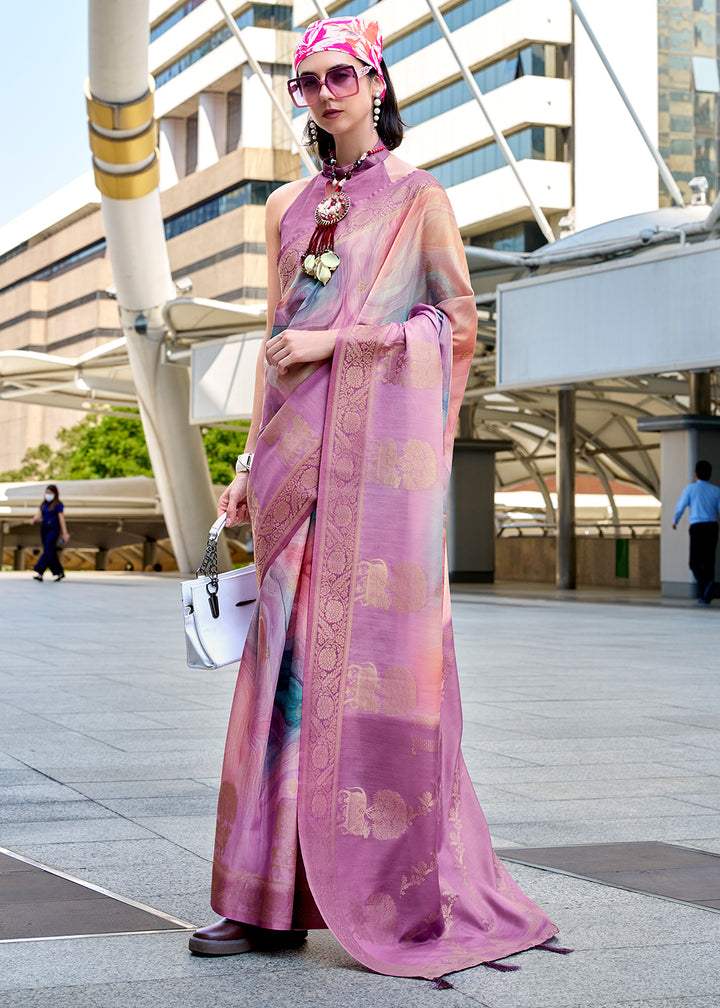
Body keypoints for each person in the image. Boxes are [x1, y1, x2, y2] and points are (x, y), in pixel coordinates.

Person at [189, 16, 564, 979]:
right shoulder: (285, 207)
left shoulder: (419, 199)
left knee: (356, 688)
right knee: (275, 683)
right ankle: (260, 903)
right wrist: (241, 468)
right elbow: (277, 344)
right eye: (307, 81)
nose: (323, 94)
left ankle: (385, 886)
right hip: (286, 472)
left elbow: (454, 326)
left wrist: (342, 342)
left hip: (368, 488)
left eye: (340, 76)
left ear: (378, 83)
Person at [672, 459, 720, 604]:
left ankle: (706, 587)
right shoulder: (716, 490)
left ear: (695, 474)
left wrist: (675, 521)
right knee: (709, 561)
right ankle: (705, 595)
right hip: (712, 527)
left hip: (697, 527)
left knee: (694, 562)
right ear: (710, 475)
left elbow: (680, 506)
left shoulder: (690, 489)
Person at [29, 484, 69, 582]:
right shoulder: (44, 504)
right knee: (50, 550)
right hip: (44, 527)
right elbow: (39, 514)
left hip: (54, 527)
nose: (48, 495)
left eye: (50, 493)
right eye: (47, 493)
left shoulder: (58, 504)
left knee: (48, 549)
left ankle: (40, 571)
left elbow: (61, 518)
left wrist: (65, 533)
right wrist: (34, 519)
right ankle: (59, 572)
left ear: (55, 494)